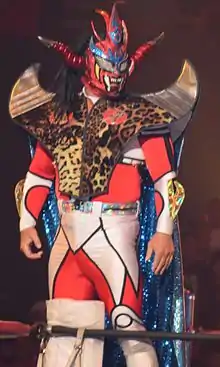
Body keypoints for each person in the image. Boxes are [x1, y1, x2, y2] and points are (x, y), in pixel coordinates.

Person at [9, 3, 199, 367]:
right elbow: (39, 173)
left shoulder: (142, 116)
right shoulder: (60, 115)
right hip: (68, 234)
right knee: (65, 331)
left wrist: (162, 231)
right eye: (107, 63)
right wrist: (26, 223)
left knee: (128, 324)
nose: (115, 72)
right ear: (86, 61)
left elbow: (165, 181)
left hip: (113, 230)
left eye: (120, 63)